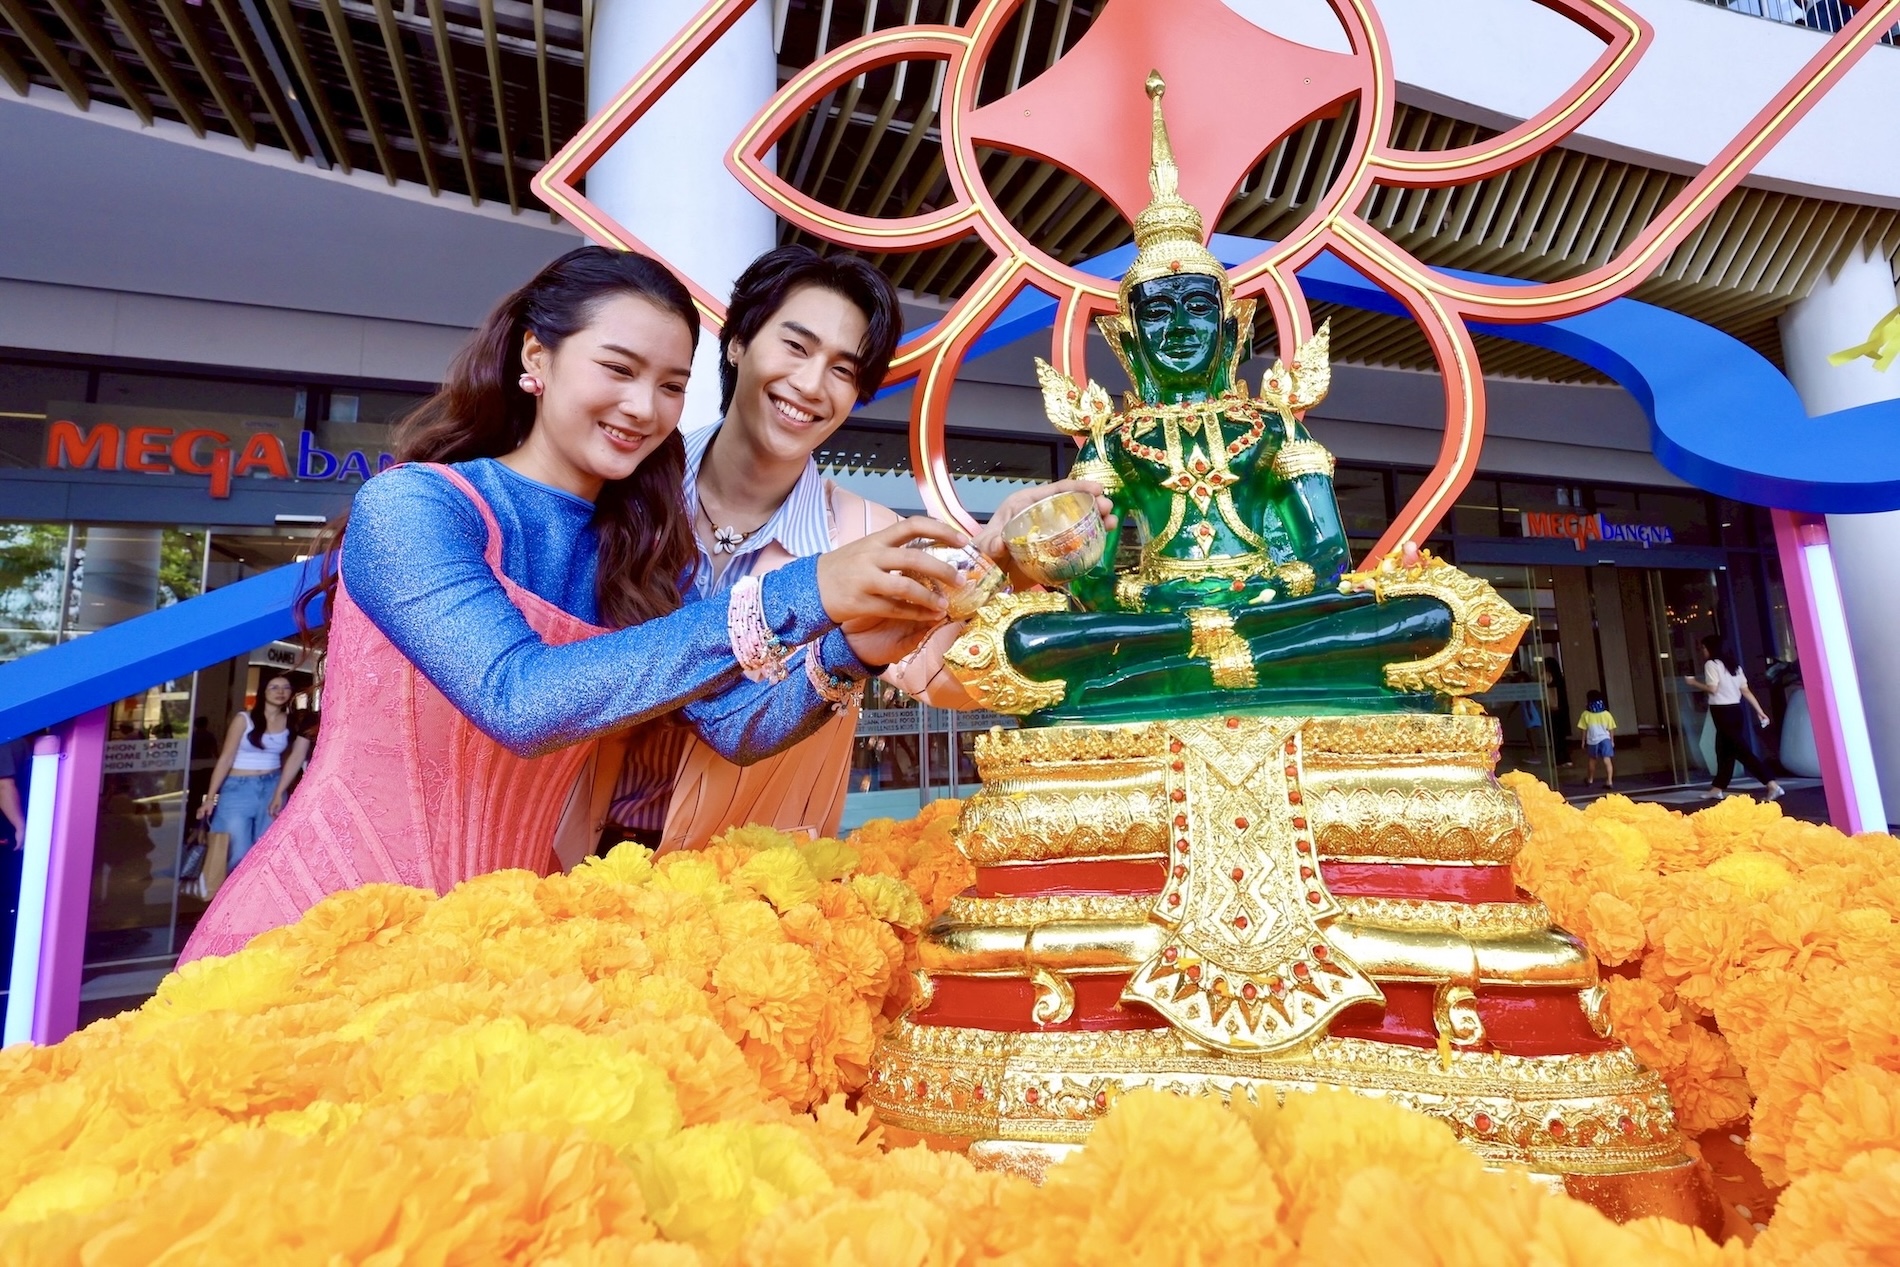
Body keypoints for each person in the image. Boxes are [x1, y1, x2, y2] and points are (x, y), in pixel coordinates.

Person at [178, 246, 963, 965]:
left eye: (669, 386)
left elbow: (730, 727)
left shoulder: (633, 549)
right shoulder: (414, 506)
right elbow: (520, 699)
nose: (643, 407)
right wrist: (806, 588)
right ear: (536, 357)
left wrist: (856, 649)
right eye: (618, 368)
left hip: (509, 950)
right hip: (325, 929)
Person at [609, 244, 1109, 852]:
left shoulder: (867, 533)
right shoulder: (619, 489)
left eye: (843, 371)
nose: (810, 385)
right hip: (563, 867)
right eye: (796, 347)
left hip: (751, 879)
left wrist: (1000, 561)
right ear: (738, 342)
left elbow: (945, 678)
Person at [196, 672, 296, 869]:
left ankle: (260, 889)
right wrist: (210, 798)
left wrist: (282, 790)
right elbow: (226, 759)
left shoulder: (290, 722)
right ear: (263, 691)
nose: (280, 692)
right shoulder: (244, 719)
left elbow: (289, 758)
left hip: (273, 786)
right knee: (237, 851)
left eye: (286, 688)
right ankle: (233, 888)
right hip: (238, 788)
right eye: (274, 687)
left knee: (268, 849)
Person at [1686, 634, 1784, 802]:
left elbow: (1712, 689)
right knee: (1723, 750)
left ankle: (1771, 784)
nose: (1702, 651)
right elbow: (1745, 690)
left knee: (1740, 751)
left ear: (1710, 648)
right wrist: (1759, 710)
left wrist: (1693, 683)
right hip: (1736, 711)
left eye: (1703, 648)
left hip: (1722, 712)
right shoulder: (1734, 666)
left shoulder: (1711, 664)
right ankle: (1717, 788)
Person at [1577, 689, 1617, 791]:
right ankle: (1609, 781)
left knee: (1592, 760)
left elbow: (1583, 729)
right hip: (1605, 739)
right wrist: (1612, 740)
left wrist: (1583, 741)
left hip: (1592, 740)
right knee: (1607, 760)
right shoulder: (1606, 714)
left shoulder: (1586, 714)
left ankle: (1590, 779)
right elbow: (1611, 728)